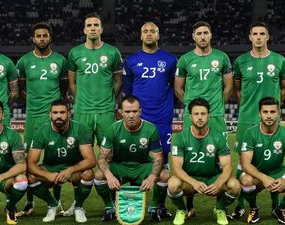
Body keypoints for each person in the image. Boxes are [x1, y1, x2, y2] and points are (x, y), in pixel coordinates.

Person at [229, 22, 285, 219]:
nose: (258, 37)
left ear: (268, 37)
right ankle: (240, 206)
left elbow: (284, 89)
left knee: (273, 160)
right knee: (242, 163)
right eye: (254, 33)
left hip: (271, 118)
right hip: (247, 119)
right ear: (249, 37)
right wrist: (248, 107)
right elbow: (237, 90)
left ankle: (275, 205)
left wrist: (272, 106)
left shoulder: (279, 60)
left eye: (262, 34)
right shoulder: (241, 61)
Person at [173, 21, 233, 215]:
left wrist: (215, 107)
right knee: (189, 158)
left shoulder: (221, 57)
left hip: (215, 115)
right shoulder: (185, 59)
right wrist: (193, 108)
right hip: (193, 116)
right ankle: (189, 204)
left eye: (206, 33)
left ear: (211, 35)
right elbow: (178, 88)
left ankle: (219, 206)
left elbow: (228, 87)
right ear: (193, 36)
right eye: (198, 33)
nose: (202, 36)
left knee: (219, 159)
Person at [122, 21, 176, 218]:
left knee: (163, 163)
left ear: (158, 35)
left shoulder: (170, 60)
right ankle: (135, 206)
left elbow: (173, 85)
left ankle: (158, 205)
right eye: (145, 31)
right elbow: (129, 91)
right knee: (136, 160)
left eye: (153, 30)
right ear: (140, 35)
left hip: (162, 118)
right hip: (140, 120)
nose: (149, 34)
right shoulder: (131, 60)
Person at [16, 22, 68, 217]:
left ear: (50, 38)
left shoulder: (61, 61)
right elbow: (19, 88)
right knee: (30, 160)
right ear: (33, 39)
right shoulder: (23, 62)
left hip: (54, 117)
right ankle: (29, 203)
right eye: (38, 36)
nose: (42, 38)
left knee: (54, 160)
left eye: (45, 35)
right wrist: (33, 102)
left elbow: (63, 89)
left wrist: (54, 107)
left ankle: (57, 201)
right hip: (33, 117)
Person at [94, 95, 170, 222]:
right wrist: (109, 175)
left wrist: (151, 176)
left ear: (140, 111)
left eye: (134, 111)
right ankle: (109, 207)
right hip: (120, 166)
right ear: (121, 112)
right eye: (127, 111)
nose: (131, 115)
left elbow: (158, 158)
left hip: (142, 166)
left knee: (165, 175)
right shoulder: (112, 129)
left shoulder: (151, 129)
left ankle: (154, 207)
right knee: (98, 175)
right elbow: (102, 158)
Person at [167, 98, 240, 225]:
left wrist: (218, 184)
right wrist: (194, 182)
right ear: (190, 117)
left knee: (235, 186)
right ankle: (182, 210)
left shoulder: (218, 137)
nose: (200, 117)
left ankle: (220, 209)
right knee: (173, 184)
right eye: (196, 114)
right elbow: (177, 168)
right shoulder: (181, 137)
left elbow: (228, 167)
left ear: (208, 116)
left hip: (212, 178)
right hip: (189, 180)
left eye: (203, 114)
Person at [240, 97, 285, 224]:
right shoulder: (251, 133)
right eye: (265, 112)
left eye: (272, 112)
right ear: (259, 113)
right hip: (258, 174)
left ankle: (281, 208)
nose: (269, 116)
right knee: (245, 180)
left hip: (278, 171)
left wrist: (284, 179)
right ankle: (254, 208)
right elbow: (245, 164)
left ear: (278, 113)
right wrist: (263, 178)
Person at [26, 99, 96, 223]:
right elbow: (31, 163)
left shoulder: (80, 129)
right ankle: (53, 205)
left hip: (73, 168)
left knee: (88, 173)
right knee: (30, 176)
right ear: (50, 114)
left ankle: (78, 206)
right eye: (55, 112)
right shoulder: (42, 131)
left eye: (62, 112)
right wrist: (47, 174)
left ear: (68, 114)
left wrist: (70, 170)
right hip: (50, 168)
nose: (59, 115)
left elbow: (91, 160)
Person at [68, 12, 123, 147]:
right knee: (81, 151)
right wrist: (81, 98)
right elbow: (72, 83)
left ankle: (104, 170)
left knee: (108, 150)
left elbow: (119, 81)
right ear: (84, 30)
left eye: (96, 25)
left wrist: (108, 97)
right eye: (89, 25)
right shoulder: (74, 53)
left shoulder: (113, 52)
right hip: (82, 111)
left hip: (106, 111)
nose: (93, 28)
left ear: (101, 29)